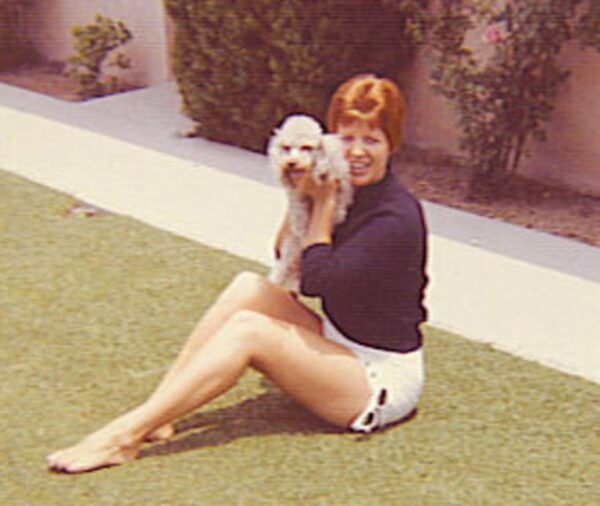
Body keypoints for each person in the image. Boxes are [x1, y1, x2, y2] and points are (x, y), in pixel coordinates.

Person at [47, 74, 428, 474]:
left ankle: (122, 439)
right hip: (341, 341)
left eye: (372, 140)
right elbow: (285, 251)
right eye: (347, 138)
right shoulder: (339, 184)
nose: (357, 153)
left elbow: (317, 280)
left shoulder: (395, 217)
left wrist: (324, 203)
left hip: (378, 380)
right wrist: (301, 193)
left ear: (393, 144)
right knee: (249, 287)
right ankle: (158, 414)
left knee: (249, 330)